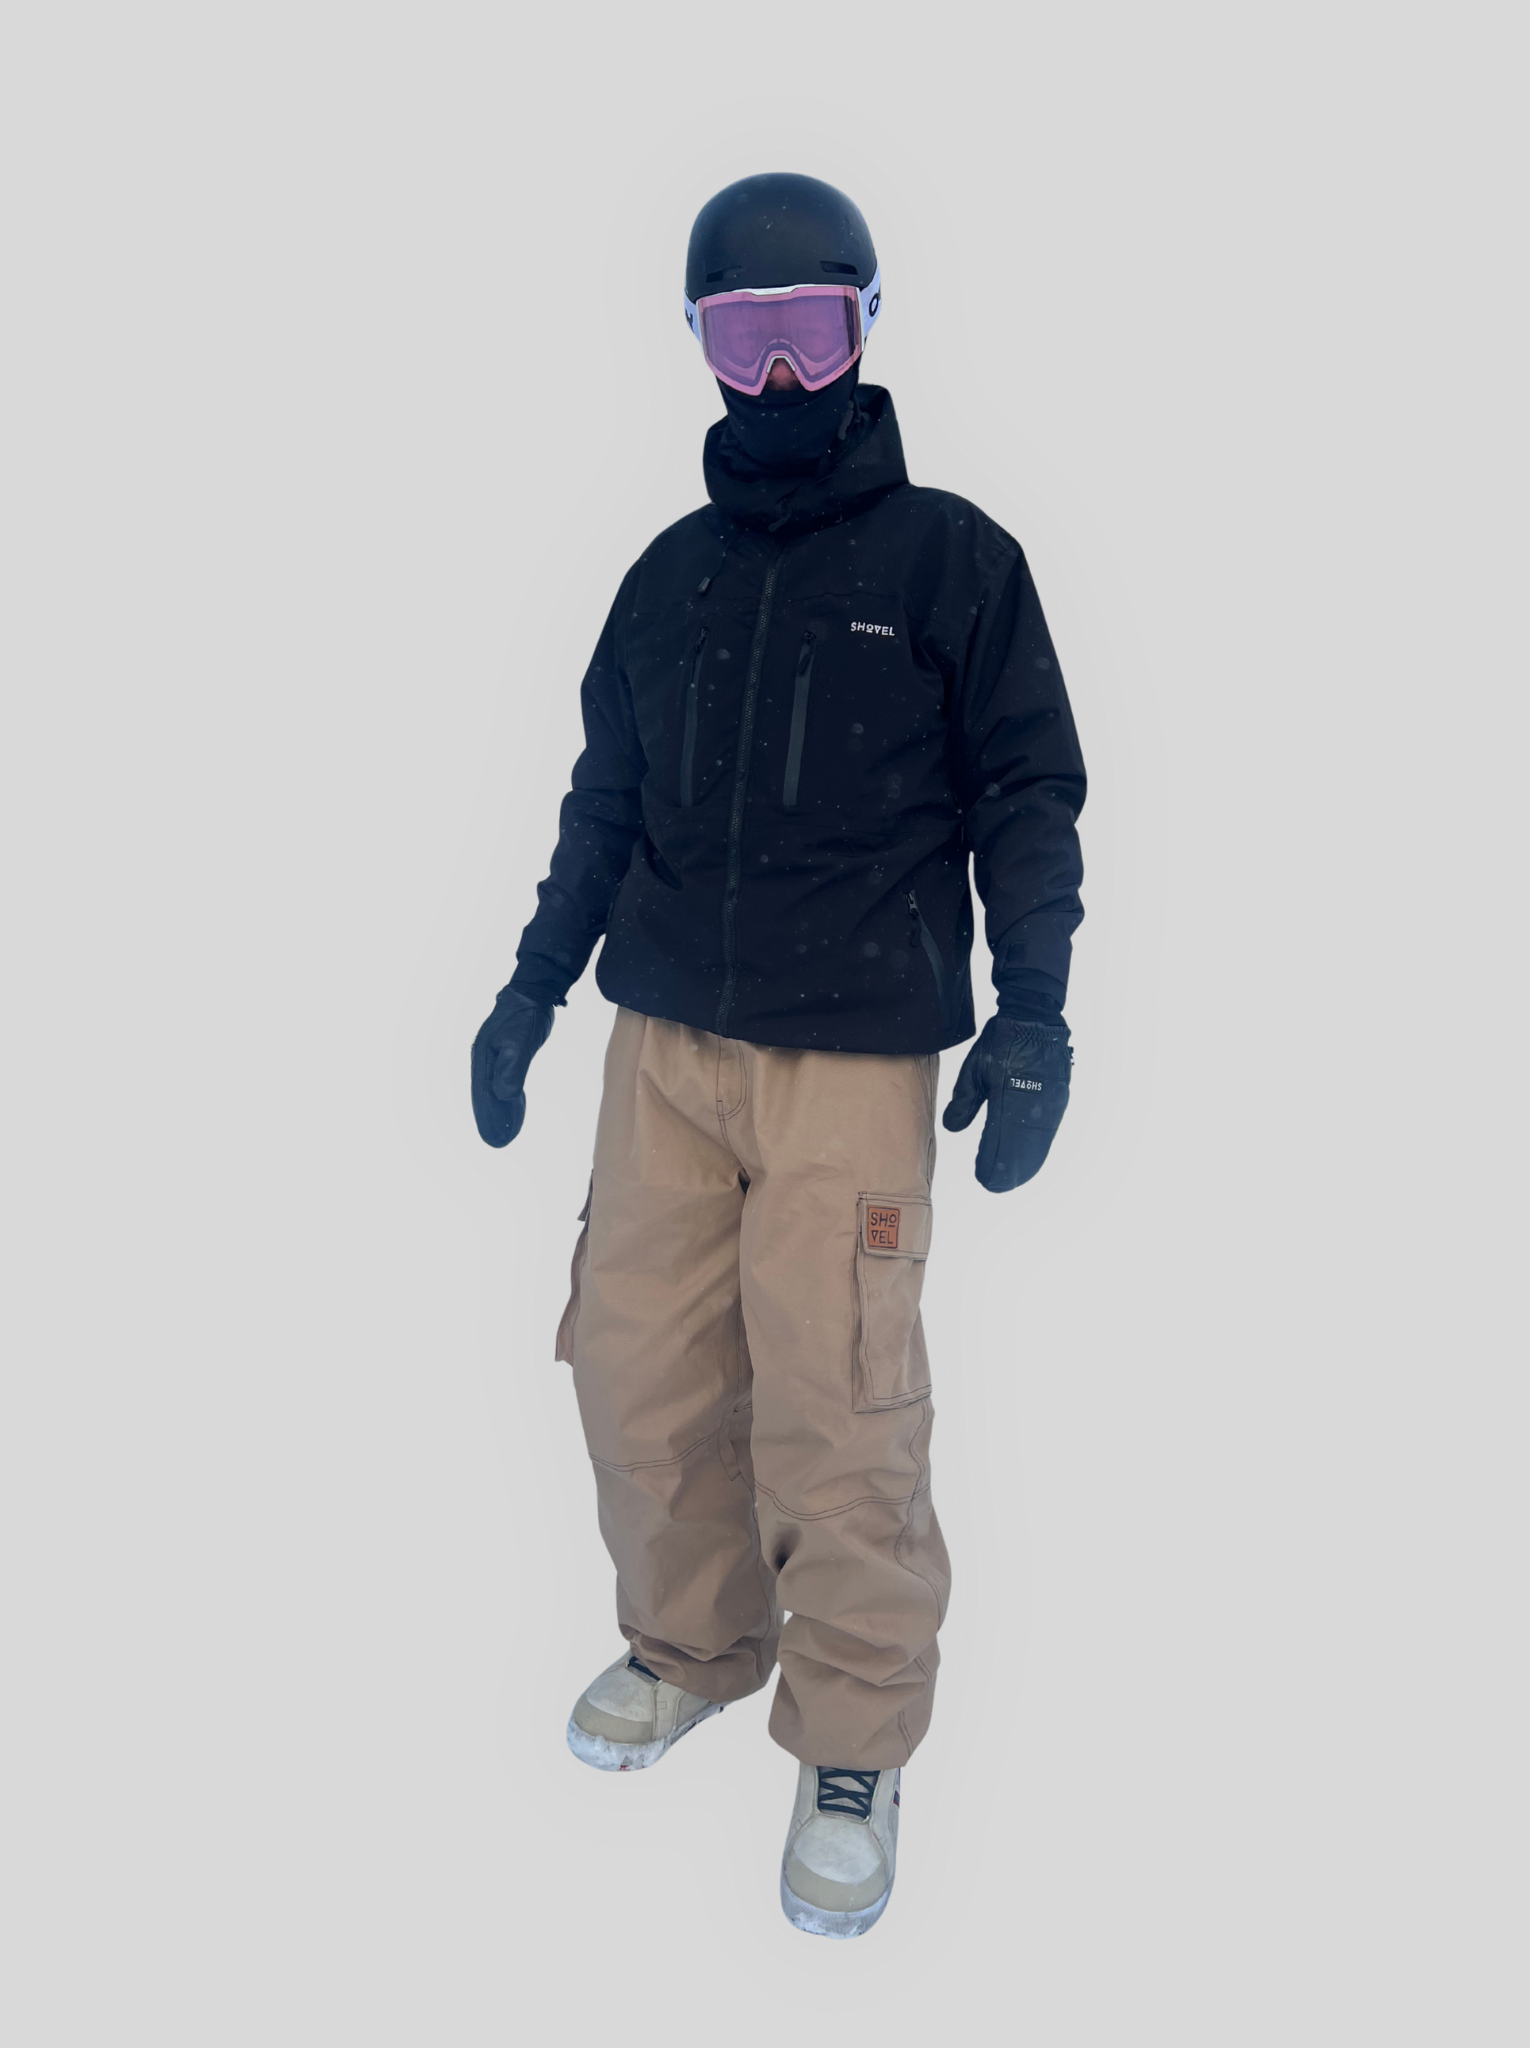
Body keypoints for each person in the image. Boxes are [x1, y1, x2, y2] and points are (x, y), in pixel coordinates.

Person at [471, 172, 1086, 1938]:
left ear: (867, 330)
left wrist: (1034, 1013)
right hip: (663, 1046)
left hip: (851, 1060)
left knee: (839, 1401)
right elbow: (603, 804)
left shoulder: (955, 563)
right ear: (703, 350)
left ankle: (856, 1737)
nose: (785, 379)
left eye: (811, 332)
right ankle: (691, 1644)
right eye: (747, 341)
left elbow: (1028, 796)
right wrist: (530, 991)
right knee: (634, 1368)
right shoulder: (667, 578)